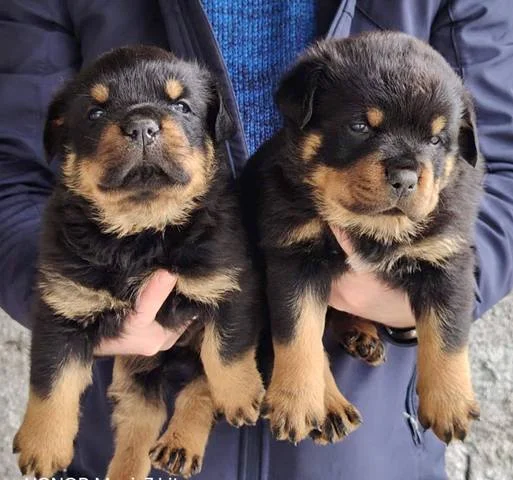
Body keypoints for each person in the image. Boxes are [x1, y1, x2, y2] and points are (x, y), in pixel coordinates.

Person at [0, 1, 512, 479]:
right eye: (362, 126)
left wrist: (428, 299)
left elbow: (500, 168)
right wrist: (64, 305)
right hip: (114, 422)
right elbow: (13, 173)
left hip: (367, 444)